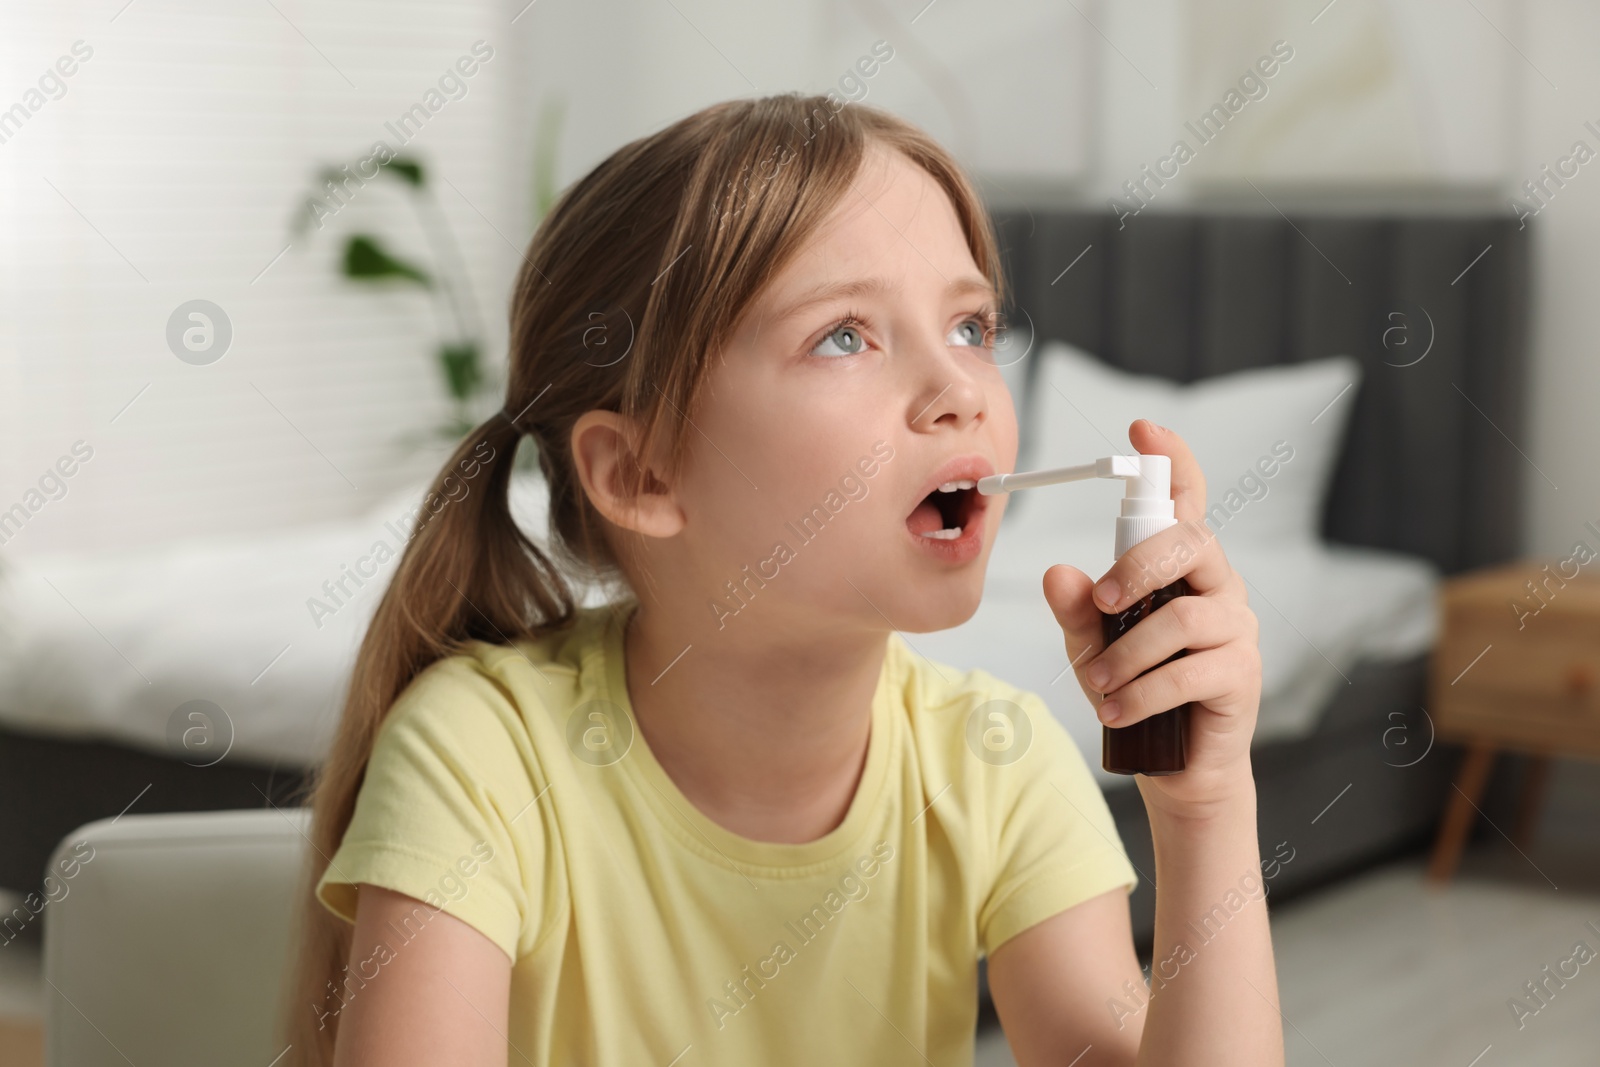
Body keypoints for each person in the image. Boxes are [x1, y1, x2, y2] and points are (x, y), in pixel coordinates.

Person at [285, 92, 1282, 1066]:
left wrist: (1205, 807)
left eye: (971, 327)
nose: (959, 392)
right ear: (642, 473)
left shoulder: (997, 763)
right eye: (845, 335)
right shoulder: (482, 757)